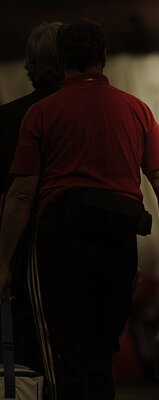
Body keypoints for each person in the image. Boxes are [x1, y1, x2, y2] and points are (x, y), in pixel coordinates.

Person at [0, 19, 159, 400]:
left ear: (62, 59)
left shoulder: (42, 114)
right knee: (103, 353)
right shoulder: (136, 110)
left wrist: (2, 262)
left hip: (59, 243)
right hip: (119, 240)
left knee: (68, 354)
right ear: (104, 57)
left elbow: (21, 195)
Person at [0, 21, 64, 378]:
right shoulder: (87, 113)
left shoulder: (10, 117)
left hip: (28, 247)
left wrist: (2, 258)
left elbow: (15, 193)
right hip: (84, 240)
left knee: (31, 350)